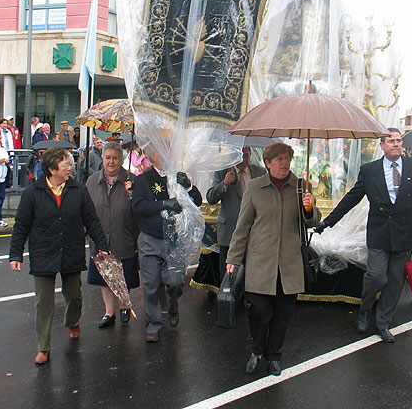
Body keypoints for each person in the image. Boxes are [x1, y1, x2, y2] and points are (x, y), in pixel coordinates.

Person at [315, 129, 412, 343]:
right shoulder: (370, 170)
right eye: (391, 141)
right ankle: (365, 308)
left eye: (399, 141)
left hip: (405, 233)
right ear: (382, 145)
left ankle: (383, 322)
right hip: (380, 232)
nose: (396, 144)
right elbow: (352, 197)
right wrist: (328, 222)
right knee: (376, 275)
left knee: (395, 280)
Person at [226, 142, 320, 376]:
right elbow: (243, 226)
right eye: (278, 159)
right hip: (261, 263)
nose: (284, 162)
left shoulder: (300, 187)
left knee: (283, 314)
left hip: (289, 263)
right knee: (258, 311)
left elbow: (313, 221)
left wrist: (309, 209)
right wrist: (233, 258)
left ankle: (274, 355)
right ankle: (256, 350)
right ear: (267, 164)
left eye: (287, 158)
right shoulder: (255, 188)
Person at [9, 146, 108, 366]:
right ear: (52, 169)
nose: (70, 168)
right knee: (43, 303)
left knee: (74, 295)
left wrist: (101, 244)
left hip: (71, 250)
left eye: (70, 165)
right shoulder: (33, 193)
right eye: (65, 165)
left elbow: (91, 219)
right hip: (44, 252)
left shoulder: (78, 190)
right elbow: (21, 226)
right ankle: (43, 347)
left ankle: (72, 321)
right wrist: (15, 254)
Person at [132, 148, 202, 343]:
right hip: (150, 239)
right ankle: (153, 324)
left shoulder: (178, 177)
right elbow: (138, 206)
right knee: (151, 285)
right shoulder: (143, 180)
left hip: (174, 238)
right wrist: (164, 204)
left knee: (176, 281)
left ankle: (172, 305)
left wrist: (189, 187)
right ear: (152, 156)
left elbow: (196, 201)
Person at [85, 141, 140, 327]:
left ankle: (124, 305)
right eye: (108, 157)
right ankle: (109, 312)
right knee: (104, 276)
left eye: (115, 158)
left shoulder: (132, 180)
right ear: (102, 158)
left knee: (124, 276)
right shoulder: (92, 181)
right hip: (100, 239)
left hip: (123, 236)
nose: (111, 162)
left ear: (121, 160)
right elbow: (85, 210)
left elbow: (140, 210)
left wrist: (131, 193)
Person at [206, 147, 266, 278]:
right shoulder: (223, 172)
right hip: (230, 233)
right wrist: (224, 184)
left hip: (254, 232)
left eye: (246, 155)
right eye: (240, 156)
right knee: (229, 276)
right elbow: (211, 198)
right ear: (233, 156)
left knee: (253, 273)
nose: (243, 160)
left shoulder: (260, 172)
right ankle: (228, 297)